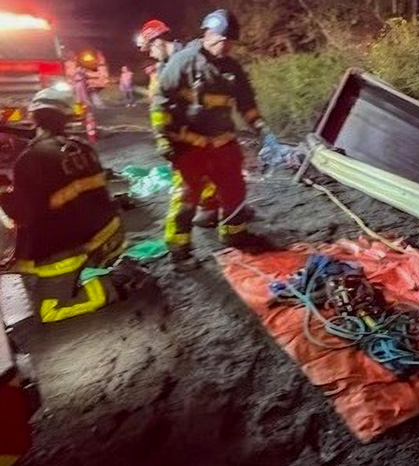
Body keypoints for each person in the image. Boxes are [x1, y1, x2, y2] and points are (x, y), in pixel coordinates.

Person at [0, 86, 151, 323]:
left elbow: (22, 215)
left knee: (50, 309)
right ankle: (110, 266)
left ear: (33, 116)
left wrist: (3, 192)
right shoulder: (81, 147)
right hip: (110, 235)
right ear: (68, 118)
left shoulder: (29, 160)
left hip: (72, 248)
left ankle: (117, 281)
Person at [151, 9, 272, 267]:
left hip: (222, 144)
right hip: (189, 144)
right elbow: (161, 101)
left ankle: (234, 234)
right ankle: (179, 250)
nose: (226, 46)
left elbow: (246, 102)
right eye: (221, 40)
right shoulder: (183, 61)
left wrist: (260, 126)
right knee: (186, 197)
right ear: (208, 34)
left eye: (230, 42)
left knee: (234, 189)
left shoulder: (231, 67)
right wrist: (163, 138)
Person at [137, 19, 219, 229]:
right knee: (184, 182)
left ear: (158, 41)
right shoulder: (161, 73)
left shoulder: (191, 53)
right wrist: (163, 138)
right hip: (182, 136)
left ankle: (209, 210)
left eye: (150, 49)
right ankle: (178, 237)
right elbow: (158, 109)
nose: (151, 54)